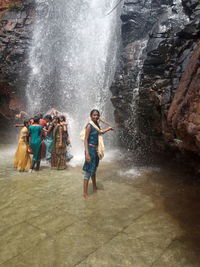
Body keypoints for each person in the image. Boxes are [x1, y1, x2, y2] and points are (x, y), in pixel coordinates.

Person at [83, 109, 113, 199]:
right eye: (94, 115)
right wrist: (87, 153)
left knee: (94, 169)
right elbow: (85, 139)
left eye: (97, 115)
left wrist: (108, 129)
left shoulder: (96, 124)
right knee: (88, 171)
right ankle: (85, 194)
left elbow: (100, 132)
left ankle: (95, 186)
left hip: (96, 149)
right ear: (91, 116)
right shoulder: (89, 125)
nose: (96, 117)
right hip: (90, 149)